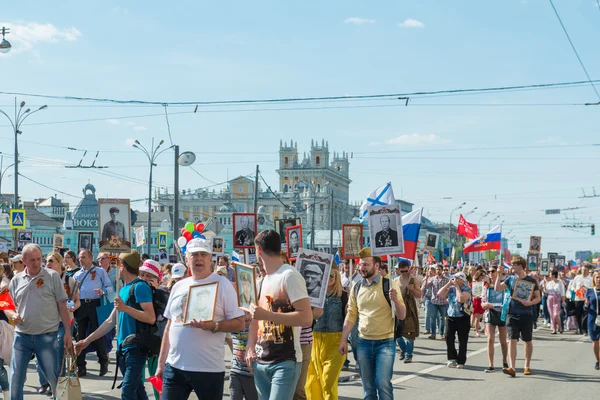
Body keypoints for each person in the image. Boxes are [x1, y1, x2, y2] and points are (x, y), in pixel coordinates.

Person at [155, 238, 245, 399]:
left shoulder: (223, 285)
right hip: (174, 367)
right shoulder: (178, 286)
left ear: (211, 259)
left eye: (203, 254)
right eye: (194, 254)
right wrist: (161, 364)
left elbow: (239, 323)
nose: (199, 258)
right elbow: (169, 326)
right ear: (187, 259)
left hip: (208, 369)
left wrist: (214, 325)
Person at [75, 251, 156, 400]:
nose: (116, 267)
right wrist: (86, 341)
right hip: (122, 347)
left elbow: (151, 317)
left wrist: (126, 308)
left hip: (136, 347)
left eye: (117, 264)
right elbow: (109, 322)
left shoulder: (140, 287)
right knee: (138, 391)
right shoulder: (123, 289)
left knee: (127, 392)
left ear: (123, 267)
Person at [245, 230, 312, 400]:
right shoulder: (262, 280)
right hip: (261, 360)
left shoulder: (289, 276)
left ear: (258, 250)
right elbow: (255, 318)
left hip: (285, 360)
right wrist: (250, 346)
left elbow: (306, 317)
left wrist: (268, 315)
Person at [338, 247, 406, 400]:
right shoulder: (356, 287)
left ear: (377, 266)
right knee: (368, 388)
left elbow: (402, 315)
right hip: (363, 343)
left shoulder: (389, 285)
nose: (362, 268)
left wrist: (395, 299)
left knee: (383, 384)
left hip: (385, 343)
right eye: (361, 264)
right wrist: (343, 339)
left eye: (366, 264)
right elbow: (351, 316)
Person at [6, 244, 72, 400]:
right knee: (15, 378)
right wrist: (13, 315)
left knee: (53, 377)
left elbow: (62, 306)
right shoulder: (16, 280)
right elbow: (6, 305)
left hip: (47, 336)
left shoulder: (52, 276)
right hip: (22, 336)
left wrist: (68, 332)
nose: (36, 263)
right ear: (23, 260)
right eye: (32, 260)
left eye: (38, 259)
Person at [36, 252, 80, 397]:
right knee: (44, 353)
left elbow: (77, 300)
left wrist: (73, 306)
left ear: (60, 263)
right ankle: (47, 382)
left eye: (51, 261)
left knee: (60, 351)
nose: (48, 264)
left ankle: (59, 386)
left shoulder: (69, 280)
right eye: (47, 261)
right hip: (46, 322)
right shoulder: (42, 280)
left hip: (64, 322)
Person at [305, 267, 347, 400]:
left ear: (337, 277)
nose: (329, 279)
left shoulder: (343, 295)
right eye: (326, 276)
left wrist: (345, 339)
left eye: (332, 276)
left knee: (328, 379)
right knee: (314, 381)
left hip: (336, 341)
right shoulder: (313, 296)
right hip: (316, 339)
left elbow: (348, 318)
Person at [495, 256, 541, 377]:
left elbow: (538, 297)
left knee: (527, 340)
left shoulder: (531, 280)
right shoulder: (510, 279)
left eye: (514, 265)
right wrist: (499, 275)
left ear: (520, 266)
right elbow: (497, 288)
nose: (512, 267)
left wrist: (529, 303)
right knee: (512, 340)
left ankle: (527, 365)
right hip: (512, 313)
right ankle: (512, 367)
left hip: (526, 314)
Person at [72, 249, 114, 377]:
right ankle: (81, 367)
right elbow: (72, 293)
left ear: (90, 258)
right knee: (80, 336)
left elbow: (110, 287)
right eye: (79, 257)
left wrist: (103, 292)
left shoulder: (100, 272)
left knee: (97, 334)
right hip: (81, 305)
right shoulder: (77, 274)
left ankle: (103, 361)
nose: (81, 259)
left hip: (95, 305)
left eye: (83, 257)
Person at [437, 272, 472, 369]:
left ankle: (461, 360)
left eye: (457, 278)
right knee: (448, 337)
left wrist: (457, 287)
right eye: (454, 278)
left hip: (463, 316)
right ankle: (452, 358)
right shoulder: (451, 288)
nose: (455, 280)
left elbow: (461, 299)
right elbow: (439, 294)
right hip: (451, 316)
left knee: (462, 339)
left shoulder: (467, 289)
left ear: (462, 280)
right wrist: (448, 284)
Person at [481, 266, 508, 373]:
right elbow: (482, 302)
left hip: (502, 313)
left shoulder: (504, 285)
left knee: (503, 340)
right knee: (490, 339)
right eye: (489, 272)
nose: (490, 273)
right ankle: (491, 365)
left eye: (493, 271)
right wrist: (485, 304)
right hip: (490, 313)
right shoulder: (486, 286)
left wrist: (503, 306)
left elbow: (507, 298)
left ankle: (505, 362)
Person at [395, 261, 422, 363]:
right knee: (397, 334)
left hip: (409, 310)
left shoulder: (413, 280)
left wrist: (412, 290)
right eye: (402, 271)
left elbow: (419, 295)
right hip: (398, 309)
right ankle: (404, 349)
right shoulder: (395, 280)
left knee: (409, 333)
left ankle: (408, 355)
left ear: (409, 268)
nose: (404, 273)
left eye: (406, 270)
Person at [230, 311, 258, 400]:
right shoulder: (235, 329)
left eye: (248, 313)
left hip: (252, 375)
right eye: (242, 313)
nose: (246, 316)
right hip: (236, 372)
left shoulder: (256, 330)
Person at [424, 264, 449, 340]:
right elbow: (427, 286)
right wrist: (427, 278)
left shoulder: (446, 279)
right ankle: (433, 334)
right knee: (433, 318)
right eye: (437, 269)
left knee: (442, 319)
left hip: (442, 302)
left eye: (439, 269)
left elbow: (449, 289)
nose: (438, 271)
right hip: (434, 301)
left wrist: (446, 297)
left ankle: (441, 333)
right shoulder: (433, 279)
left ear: (442, 270)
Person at [570, 265, 593, 335]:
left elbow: (592, 288)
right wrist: (575, 290)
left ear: (588, 271)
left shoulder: (590, 279)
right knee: (578, 315)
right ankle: (580, 329)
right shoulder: (577, 278)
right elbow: (572, 287)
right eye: (583, 270)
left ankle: (584, 330)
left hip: (586, 299)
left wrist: (585, 287)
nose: (584, 271)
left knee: (585, 315)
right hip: (578, 298)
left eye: (585, 270)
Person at [584, 271, 600, 370]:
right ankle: (598, 360)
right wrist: (586, 305)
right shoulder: (590, 291)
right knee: (595, 341)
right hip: (593, 319)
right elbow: (585, 309)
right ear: (594, 279)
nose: (599, 279)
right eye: (597, 277)